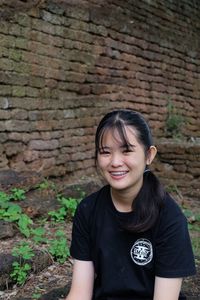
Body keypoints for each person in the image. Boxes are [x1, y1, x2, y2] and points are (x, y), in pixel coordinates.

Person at [66, 109, 196, 300]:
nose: (115, 162)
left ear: (149, 155)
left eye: (127, 150)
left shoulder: (170, 218)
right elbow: (79, 293)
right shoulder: (88, 210)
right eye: (105, 152)